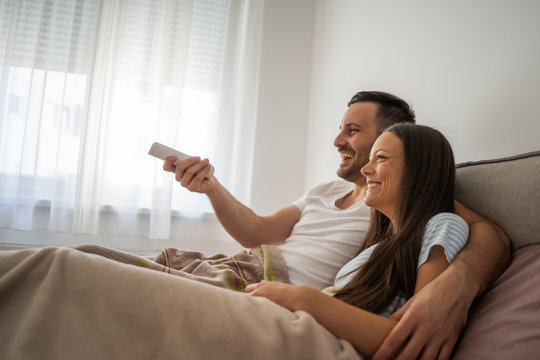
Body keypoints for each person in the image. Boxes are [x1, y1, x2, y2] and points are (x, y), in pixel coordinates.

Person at [163, 91, 510, 359]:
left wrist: (460, 284)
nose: (337, 140)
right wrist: (212, 187)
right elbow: (256, 231)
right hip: (259, 273)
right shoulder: (344, 204)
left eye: (353, 130)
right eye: (340, 129)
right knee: (155, 269)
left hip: (291, 299)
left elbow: (486, 231)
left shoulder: (418, 213)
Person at [246, 123, 468, 357]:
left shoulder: (442, 224)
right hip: (302, 327)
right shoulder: (381, 245)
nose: (365, 170)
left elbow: (413, 338)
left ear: (419, 169)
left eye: (380, 158)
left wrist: (304, 298)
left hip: (321, 343)